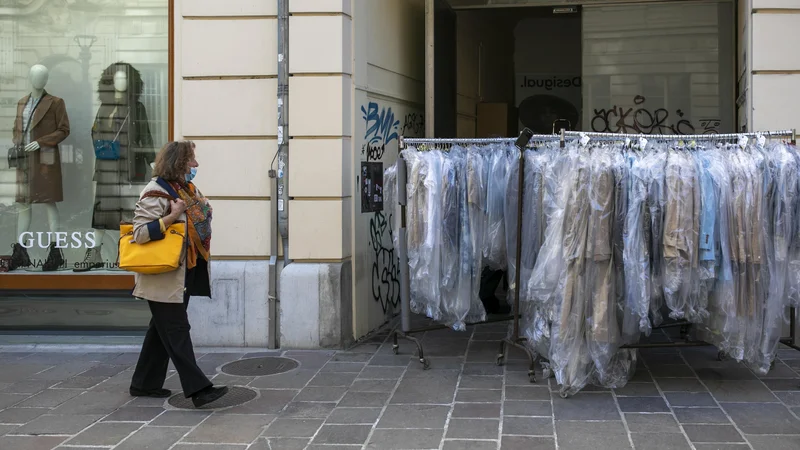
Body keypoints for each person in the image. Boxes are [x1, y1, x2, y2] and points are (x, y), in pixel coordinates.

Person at [128, 140, 228, 408]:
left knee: (160, 332)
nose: (195, 165)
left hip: (181, 275)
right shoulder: (155, 193)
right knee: (177, 331)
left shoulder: (186, 189)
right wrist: (171, 217)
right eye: (190, 160)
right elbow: (139, 234)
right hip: (162, 278)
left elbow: (198, 220)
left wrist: (204, 210)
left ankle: (143, 384)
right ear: (177, 163)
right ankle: (199, 390)